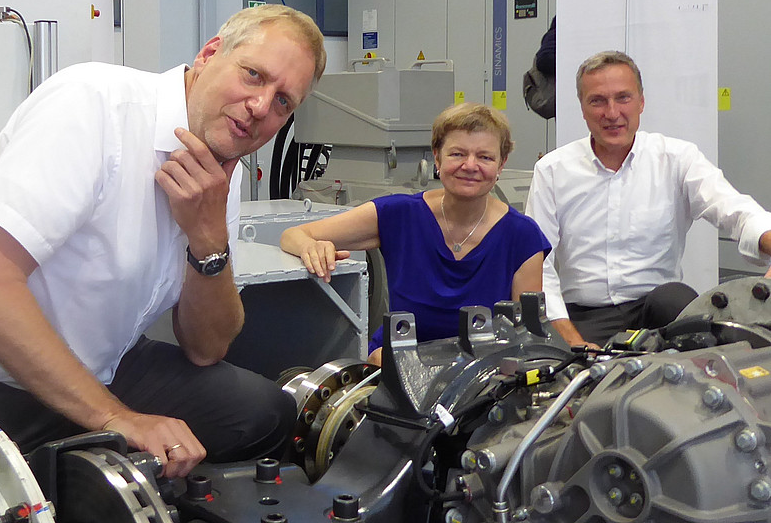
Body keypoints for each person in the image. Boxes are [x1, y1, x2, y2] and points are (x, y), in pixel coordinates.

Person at [0, 4, 326, 479]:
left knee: (263, 415)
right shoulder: (94, 105)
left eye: (283, 102)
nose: (260, 107)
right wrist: (118, 419)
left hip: (102, 368)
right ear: (210, 53)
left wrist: (208, 238)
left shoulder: (224, 158)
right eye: (254, 75)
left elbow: (207, 348)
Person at [526, 50, 771, 347]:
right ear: (582, 107)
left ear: (641, 102)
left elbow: (732, 208)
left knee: (678, 300)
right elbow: (538, 264)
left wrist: (766, 237)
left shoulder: (677, 158)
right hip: (585, 318)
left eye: (623, 98)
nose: (612, 113)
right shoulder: (552, 170)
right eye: (598, 100)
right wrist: (569, 338)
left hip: (658, 309)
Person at [280, 103, 551, 364]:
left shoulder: (522, 236)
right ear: (437, 158)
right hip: (398, 360)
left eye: (485, 157)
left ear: (501, 164)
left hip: (479, 372)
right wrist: (309, 247)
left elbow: (524, 337)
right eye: (457, 154)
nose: (470, 166)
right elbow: (294, 234)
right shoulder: (398, 213)